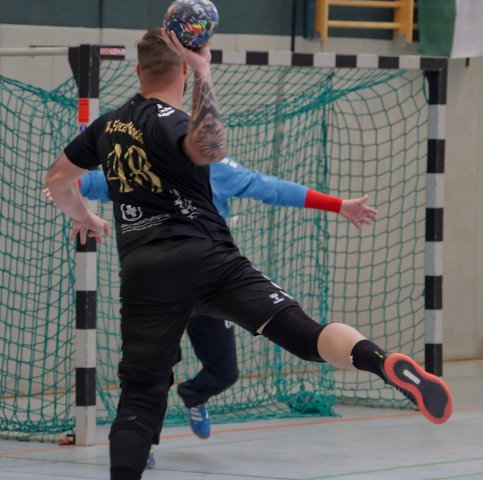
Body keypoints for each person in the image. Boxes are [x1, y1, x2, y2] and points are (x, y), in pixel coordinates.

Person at [45, 27, 453, 480]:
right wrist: (205, 73)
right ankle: (378, 361)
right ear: (183, 70)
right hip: (209, 259)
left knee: (139, 398)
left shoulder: (107, 127)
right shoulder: (177, 123)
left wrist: (83, 215)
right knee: (305, 335)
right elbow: (215, 151)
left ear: (138, 70)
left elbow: (59, 180)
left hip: (146, 271)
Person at [74, 158, 377, 444]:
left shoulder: (215, 168)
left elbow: (271, 188)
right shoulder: (138, 167)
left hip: (210, 282)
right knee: (153, 373)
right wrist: (76, 204)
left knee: (224, 372)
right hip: (159, 287)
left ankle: (194, 395)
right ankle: (144, 442)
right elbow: (78, 183)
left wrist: (337, 204)